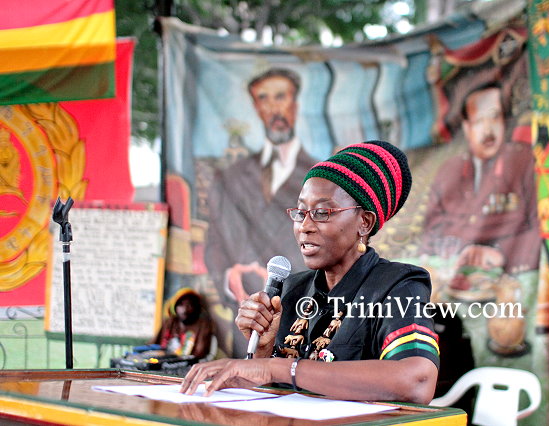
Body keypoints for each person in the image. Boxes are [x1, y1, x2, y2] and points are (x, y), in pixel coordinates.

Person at [182, 140, 439, 404]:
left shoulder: (397, 286)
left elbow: (417, 381)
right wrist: (262, 352)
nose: (304, 226)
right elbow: (275, 397)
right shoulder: (292, 291)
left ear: (364, 222)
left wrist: (278, 367)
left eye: (321, 212)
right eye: (301, 212)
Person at [205, 68, 317, 356]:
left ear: (295, 103)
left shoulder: (323, 180)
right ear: (256, 107)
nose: (273, 107)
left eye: (281, 96)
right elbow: (214, 243)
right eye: (264, 99)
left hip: (304, 324)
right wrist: (232, 278)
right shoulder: (228, 177)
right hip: (245, 323)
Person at [422, 84, 539, 299]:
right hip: (455, 275)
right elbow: (430, 230)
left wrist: (500, 252)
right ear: (466, 128)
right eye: (478, 122)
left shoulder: (524, 163)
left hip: (512, 273)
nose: (488, 131)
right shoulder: (449, 170)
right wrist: (465, 246)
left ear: (505, 122)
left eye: (495, 118)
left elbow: (542, 225)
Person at [152, 288, 214, 360]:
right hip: (162, 361)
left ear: (196, 308)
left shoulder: (203, 325)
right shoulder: (170, 322)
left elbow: (200, 353)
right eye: (181, 304)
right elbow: (154, 343)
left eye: (189, 305)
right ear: (175, 307)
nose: (185, 310)